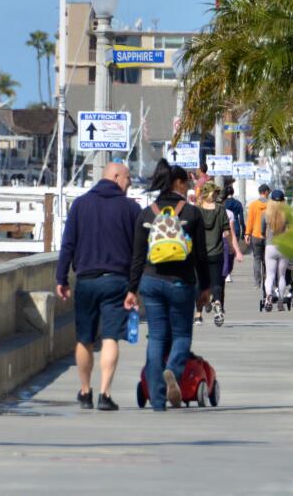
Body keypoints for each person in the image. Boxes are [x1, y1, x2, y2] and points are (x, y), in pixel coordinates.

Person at [55, 162, 141, 411]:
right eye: (127, 178)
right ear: (115, 177)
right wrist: (134, 288)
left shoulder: (81, 205)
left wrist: (61, 278)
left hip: (87, 281)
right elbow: (138, 253)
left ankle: (85, 391)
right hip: (117, 281)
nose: (130, 183)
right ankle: (105, 393)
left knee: (84, 338)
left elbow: (68, 244)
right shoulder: (130, 208)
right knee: (111, 336)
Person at [126, 159, 210, 410]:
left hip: (151, 282)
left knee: (156, 339)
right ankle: (172, 370)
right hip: (181, 283)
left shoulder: (147, 213)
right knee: (182, 335)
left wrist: (132, 290)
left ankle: (158, 401)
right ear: (177, 182)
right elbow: (201, 256)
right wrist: (206, 288)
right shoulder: (192, 213)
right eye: (186, 183)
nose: (188, 187)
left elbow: (137, 257)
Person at [196, 182, 243, 323]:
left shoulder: (196, 210)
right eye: (215, 193)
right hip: (217, 251)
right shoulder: (220, 210)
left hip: (200, 253)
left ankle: (198, 316)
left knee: (200, 283)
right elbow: (227, 232)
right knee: (217, 282)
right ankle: (217, 304)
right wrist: (234, 249)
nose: (217, 195)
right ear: (210, 194)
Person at [262, 189, 290, 310]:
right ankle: (280, 301)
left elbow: (262, 231)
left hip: (270, 245)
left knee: (270, 275)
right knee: (282, 276)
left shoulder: (266, 214)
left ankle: (268, 296)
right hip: (283, 246)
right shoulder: (287, 214)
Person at [245, 184, 271, 290]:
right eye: (268, 192)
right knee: (267, 260)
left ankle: (257, 282)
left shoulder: (253, 205)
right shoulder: (271, 205)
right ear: (265, 192)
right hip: (268, 235)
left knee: (257, 259)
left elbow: (250, 220)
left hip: (256, 235)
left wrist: (247, 233)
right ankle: (267, 281)